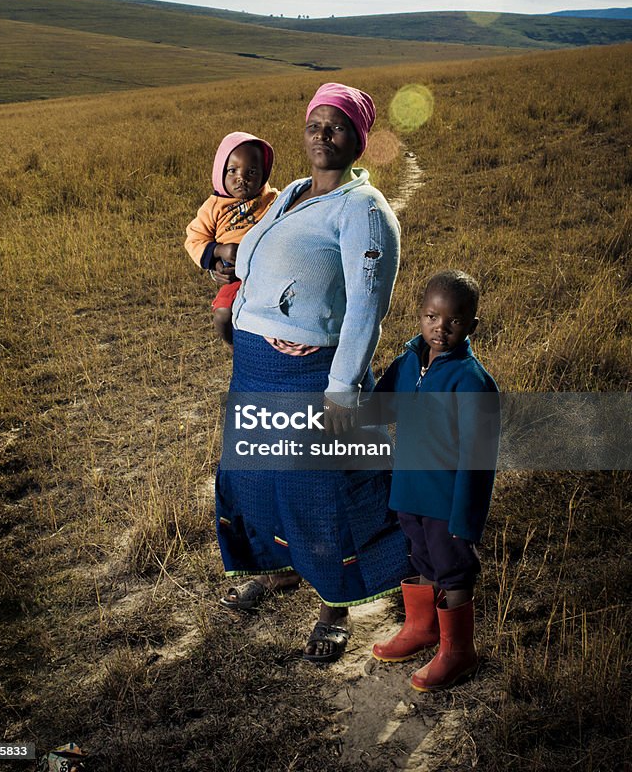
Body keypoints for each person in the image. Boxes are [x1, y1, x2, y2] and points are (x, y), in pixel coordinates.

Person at [214, 82, 411, 663]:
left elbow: (368, 310)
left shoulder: (365, 212)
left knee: (323, 489)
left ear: (358, 139)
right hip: (255, 364)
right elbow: (253, 262)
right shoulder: (291, 193)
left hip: (313, 375)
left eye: (338, 127)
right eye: (314, 125)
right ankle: (277, 572)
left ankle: (334, 607)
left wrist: (342, 390)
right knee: (259, 477)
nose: (323, 136)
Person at [370, 269, 500, 690]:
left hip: (447, 502)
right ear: (419, 314)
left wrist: (466, 521)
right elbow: (379, 410)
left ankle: (459, 653)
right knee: (422, 561)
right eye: (431, 316)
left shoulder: (473, 383)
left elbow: (479, 461)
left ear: (471, 326)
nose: (440, 328)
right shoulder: (408, 363)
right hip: (409, 492)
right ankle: (423, 628)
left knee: (454, 570)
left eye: (454, 322)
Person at [184, 132, 278, 345]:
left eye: (252, 171)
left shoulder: (272, 199)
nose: (241, 178)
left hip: (271, 273)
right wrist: (219, 250)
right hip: (236, 277)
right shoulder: (213, 207)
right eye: (232, 171)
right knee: (223, 313)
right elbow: (194, 239)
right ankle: (233, 347)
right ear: (220, 173)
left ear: (264, 174)